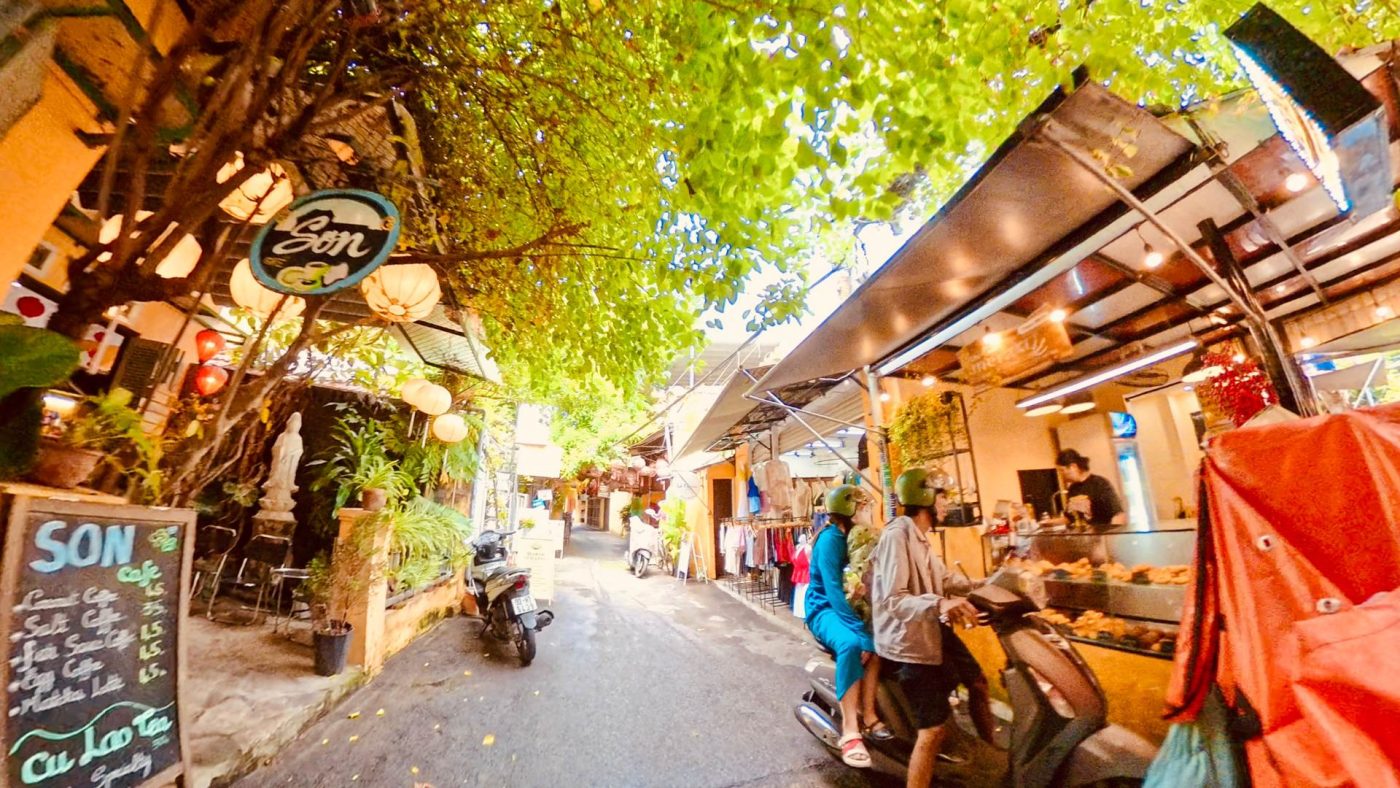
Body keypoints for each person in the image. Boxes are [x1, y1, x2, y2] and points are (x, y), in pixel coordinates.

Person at [870, 469, 994, 788]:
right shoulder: (897, 536)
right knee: (932, 731)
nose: (946, 505)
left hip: (930, 627)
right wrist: (940, 604)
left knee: (978, 683)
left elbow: (944, 579)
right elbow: (894, 599)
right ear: (925, 498)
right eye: (942, 497)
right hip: (907, 640)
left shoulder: (921, 537)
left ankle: (991, 759)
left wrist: (986, 584)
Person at [805, 485, 889, 769]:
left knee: (878, 643)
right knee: (852, 644)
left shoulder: (859, 537)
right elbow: (832, 591)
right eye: (862, 506)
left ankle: (870, 714)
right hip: (824, 609)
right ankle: (851, 731)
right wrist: (859, 630)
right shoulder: (831, 540)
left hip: (848, 607)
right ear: (850, 510)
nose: (867, 511)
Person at [1055, 449, 1126, 528]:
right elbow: (1069, 518)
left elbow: (1118, 514)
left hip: (1101, 534)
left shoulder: (1100, 484)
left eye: (1062, 470)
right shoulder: (1072, 488)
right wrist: (1047, 523)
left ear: (1073, 467)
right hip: (1083, 534)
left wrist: (1112, 533)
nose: (1061, 475)